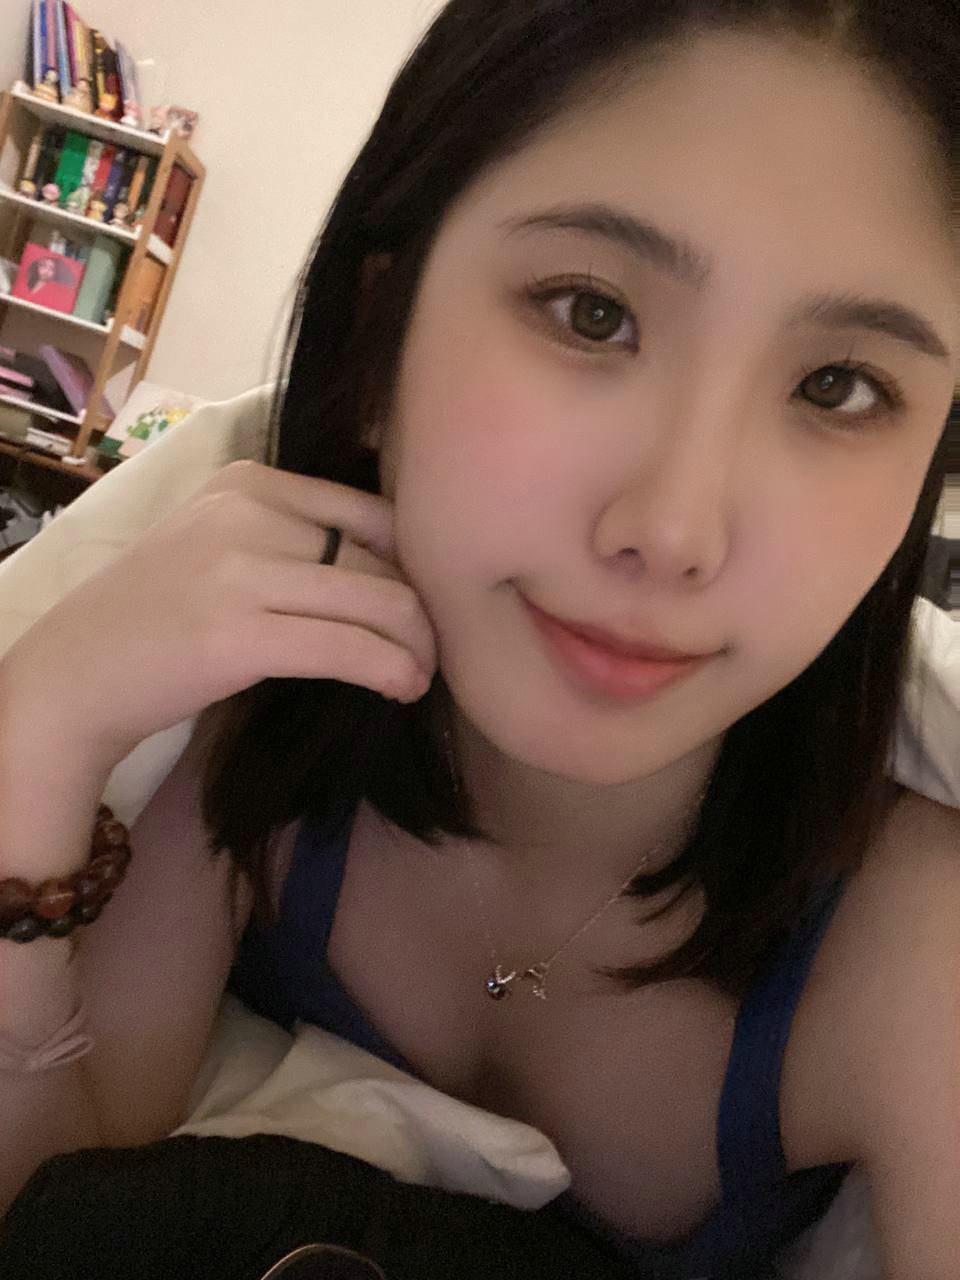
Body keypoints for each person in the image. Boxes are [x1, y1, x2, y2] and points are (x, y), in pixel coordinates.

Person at [0, 1, 957, 1276]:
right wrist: (38, 733)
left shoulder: (915, 952)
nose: (673, 530)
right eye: (592, 312)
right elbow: (50, 1196)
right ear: (377, 341)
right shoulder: (270, 722)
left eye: (840, 386)